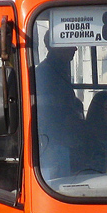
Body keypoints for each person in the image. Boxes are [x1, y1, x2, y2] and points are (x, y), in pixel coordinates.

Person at [35, 36, 86, 178]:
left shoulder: (60, 69)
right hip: (52, 142)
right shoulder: (44, 73)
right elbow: (47, 112)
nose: (75, 48)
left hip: (63, 140)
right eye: (70, 44)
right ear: (55, 46)